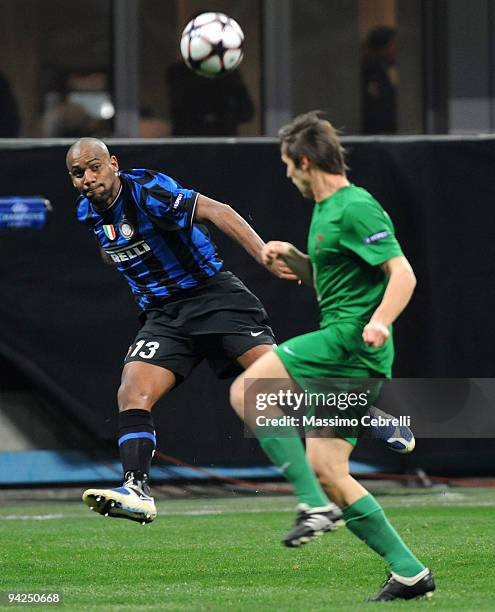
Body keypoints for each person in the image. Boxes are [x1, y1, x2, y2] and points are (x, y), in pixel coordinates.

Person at [66, 137, 343, 533]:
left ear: (113, 163)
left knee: (279, 385)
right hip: (164, 316)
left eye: (95, 167)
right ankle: (138, 490)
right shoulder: (87, 213)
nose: (89, 178)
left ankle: (369, 412)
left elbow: (218, 211)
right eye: (79, 173)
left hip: (213, 297)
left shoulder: (148, 191)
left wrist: (264, 254)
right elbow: (110, 247)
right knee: (132, 390)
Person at [229, 112, 435, 601]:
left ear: (304, 161)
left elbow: (401, 274)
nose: (287, 175)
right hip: (344, 340)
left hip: (350, 343)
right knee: (328, 467)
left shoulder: (356, 205)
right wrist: (298, 262)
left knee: (248, 391)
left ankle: (311, 506)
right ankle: (410, 573)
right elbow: (336, 282)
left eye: (287, 165)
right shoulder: (323, 210)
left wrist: (381, 320)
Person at [361, 26, 397, 135]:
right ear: (383, 48)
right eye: (393, 46)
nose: (397, 51)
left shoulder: (381, 70)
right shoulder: (372, 72)